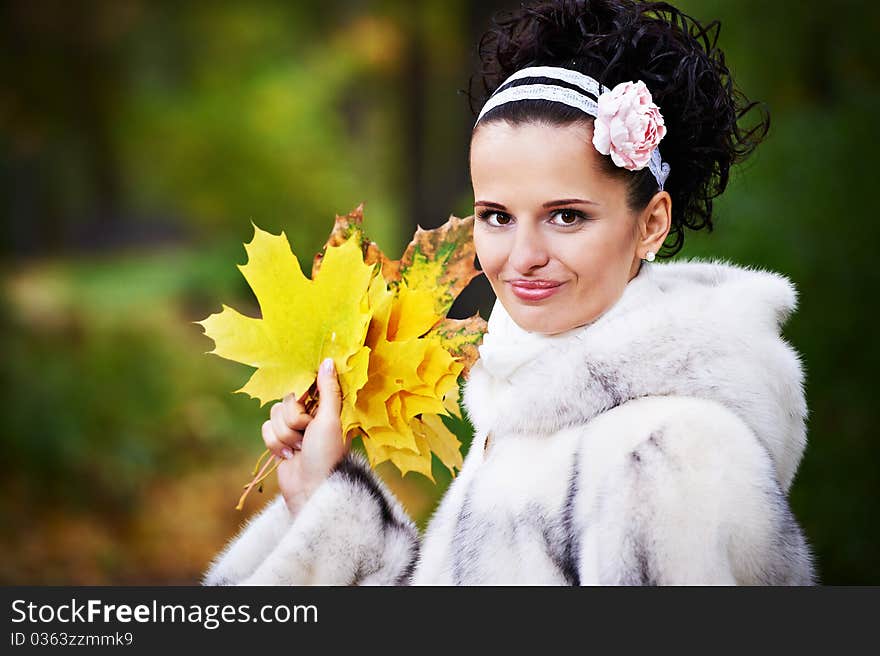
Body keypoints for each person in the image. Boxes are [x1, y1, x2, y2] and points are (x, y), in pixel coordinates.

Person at [202, 0, 815, 585]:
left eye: (567, 216)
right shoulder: (540, 410)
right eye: (496, 215)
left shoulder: (662, 454)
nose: (523, 257)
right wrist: (323, 497)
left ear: (651, 222)